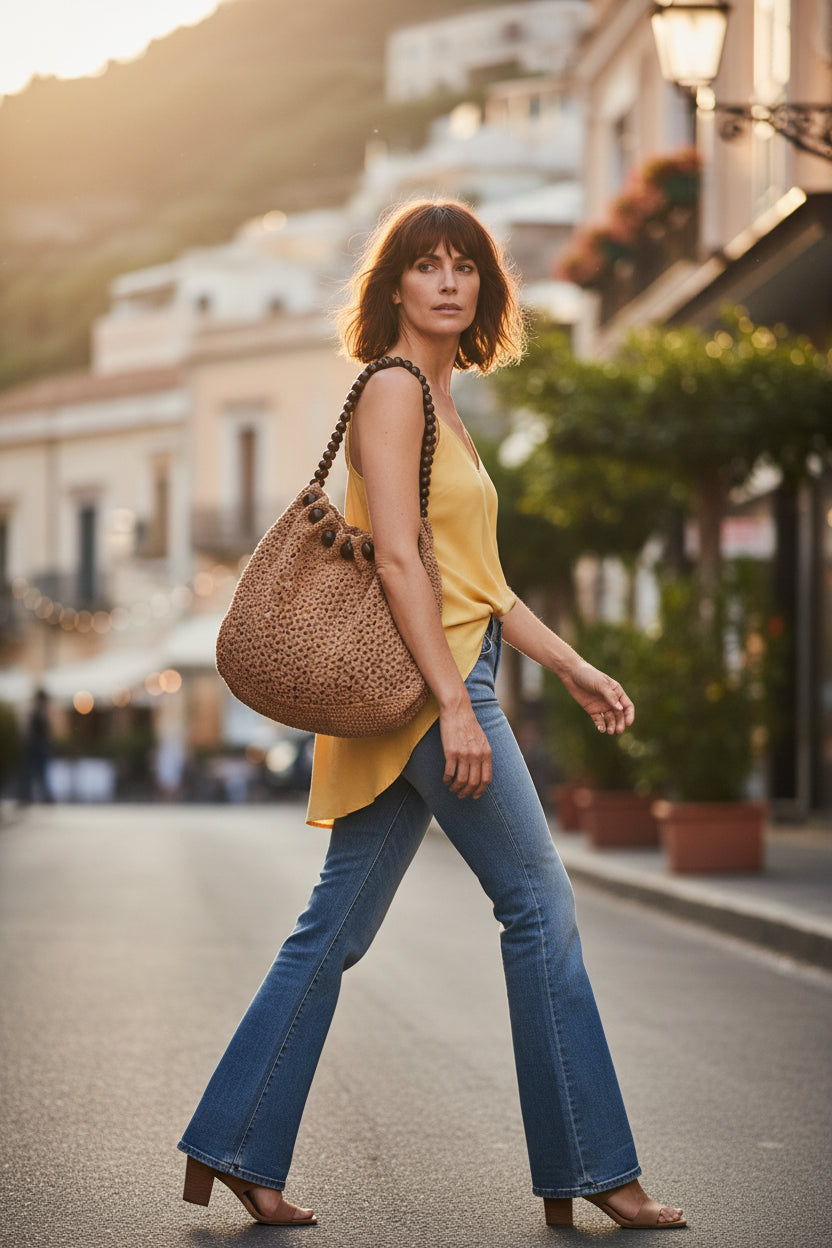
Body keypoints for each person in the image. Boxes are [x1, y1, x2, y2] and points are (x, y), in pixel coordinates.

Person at [177, 200, 685, 1231]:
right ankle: (591, 1166)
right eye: (426, 265)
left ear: (485, 287)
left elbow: (483, 585)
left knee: (335, 926)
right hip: (425, 684)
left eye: (465, 266)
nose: (448, 282)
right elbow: (402, 563)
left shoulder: (445, 405)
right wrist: (456, 703)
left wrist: (573, 665)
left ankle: (235, 1141)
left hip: (441, 674)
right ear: (395, 286)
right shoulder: (393, 389)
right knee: (538, 904)